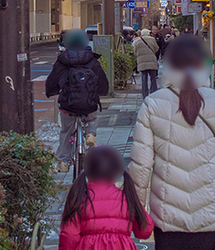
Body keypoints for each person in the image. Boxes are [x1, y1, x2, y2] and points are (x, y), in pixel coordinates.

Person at [129, 34, 215, 250]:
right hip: (211, 214)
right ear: (202, 63)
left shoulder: (153, 104)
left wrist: (136, 213)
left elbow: (140, 168)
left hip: (168, 217)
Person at [59, 145, 154, 250]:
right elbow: (145, 230)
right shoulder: (126, 198)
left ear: (89, 171)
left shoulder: (80, 198)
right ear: (115, 171)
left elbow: (70, 235)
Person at [46, 29, 109, 173]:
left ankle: (63, 161)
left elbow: (53, 80)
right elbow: (102, 81)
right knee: (91, 119)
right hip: (89, 104)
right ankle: (90, 134)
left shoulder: (62, 60)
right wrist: (102, 92)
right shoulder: (92, 59)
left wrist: (51, 92)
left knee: (66, 131)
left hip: (68, 105)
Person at [132, 28, 160, 98]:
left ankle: (145, 94)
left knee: (144, 79)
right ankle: (154, 92)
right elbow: (156, 49)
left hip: (142, 62)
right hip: (152, 61)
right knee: (153, 78)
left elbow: (135, 52)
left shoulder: (137, 41)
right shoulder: (152, 39)